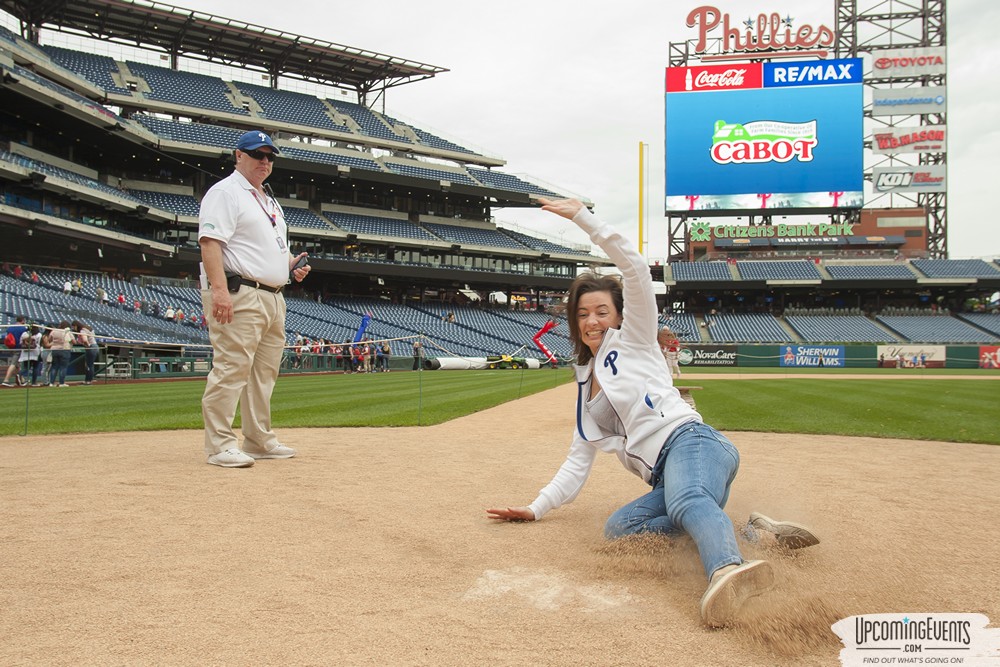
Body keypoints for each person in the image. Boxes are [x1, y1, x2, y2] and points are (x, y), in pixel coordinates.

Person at [487, 198, 818, 628]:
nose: (592, 320)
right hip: (670, 475)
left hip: (693, 444)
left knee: (686, 501)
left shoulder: (635, 339)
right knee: (622, 529)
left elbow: (636, 271)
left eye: (602, 311)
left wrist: (585, 219)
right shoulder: (586, 379)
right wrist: (535, 508)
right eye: (583, 313)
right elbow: (577, 458)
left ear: (620, 315)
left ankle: (728, 568)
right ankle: (757, 534)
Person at [198, 129, 311, 468]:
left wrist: (291, 266)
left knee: (263, 374)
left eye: (269, 156)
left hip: (273, 295)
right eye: (257, 154)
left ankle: (258, 439)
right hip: (240, 291)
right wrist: (219, 291)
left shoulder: (268, 199)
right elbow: (210, 243)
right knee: (232, 367)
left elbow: (267, 248)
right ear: (239, 156)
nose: (264, 161)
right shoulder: (226, 192)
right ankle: (219, 445)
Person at [2, 316, 28, 387]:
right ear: (22, 320)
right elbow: (25, 338)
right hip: (18, 347)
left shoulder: (10, 327)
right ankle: (6, 380)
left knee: (17, 365)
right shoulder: (23, 328)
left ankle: (21, 380)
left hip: (11, 347)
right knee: (13, 364)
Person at [48, 320, 74, 387]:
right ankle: (61, 383)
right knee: (63, 367)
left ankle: (51, 383)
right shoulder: (67, 332)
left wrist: (55, 341)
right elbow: (74, 341)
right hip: (64, 349)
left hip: (54, 349)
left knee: (54, 367)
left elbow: (49, 339)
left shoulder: (54, 331)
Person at [72, 320, 99, 384]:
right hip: (95, 346)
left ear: (76, 326)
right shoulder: (88, 328)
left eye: (73, 327)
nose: (73, 328)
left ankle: (88, 381)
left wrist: (88, 347)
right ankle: (88, 380)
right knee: (90, 364)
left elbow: (85, 340)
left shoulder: (82, 331)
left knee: (89, 365)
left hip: (91, 347)